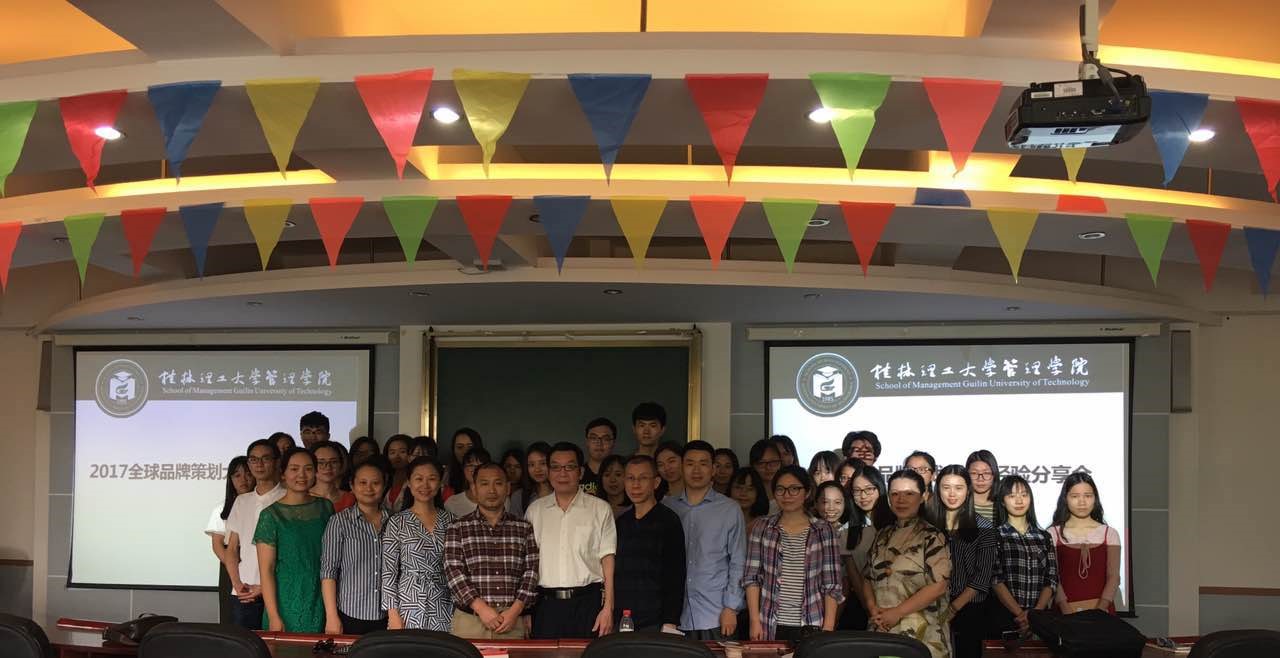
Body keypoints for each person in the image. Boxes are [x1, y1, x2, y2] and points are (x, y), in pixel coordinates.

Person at [525, 442, 617, 638]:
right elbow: (527, 563)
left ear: (580, 472)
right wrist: (526, 611)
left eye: (569, 467)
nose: (562, 473)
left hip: (588, 603)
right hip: (545, 605)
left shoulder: (600, 509)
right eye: (556, 467)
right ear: (549, 472)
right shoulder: (535, 511)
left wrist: (608, 607)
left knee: (588, 652)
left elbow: (607, 560)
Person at [744, 466, 843, 642]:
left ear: (807, 492)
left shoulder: (823, 530)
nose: (787, 495)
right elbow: (752, 578)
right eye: (780, 489)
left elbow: (832, 584)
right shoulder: (762, 527)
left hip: (811, 623)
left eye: (794, 489)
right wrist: (754, 621)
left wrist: (828, 628)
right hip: (769, 622)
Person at [444, 462, 540, 639]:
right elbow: (453, 572)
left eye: (498, 483)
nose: (492, 490)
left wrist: (516, 610)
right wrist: (481, 608)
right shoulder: (457, 527)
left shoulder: (523, 528)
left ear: (508, 488)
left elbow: (531, 572)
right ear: (474, 488)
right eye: (484, 483)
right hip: (470, 620)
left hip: (511, 620)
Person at [863, 470, 952, 658]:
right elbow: (868, 577)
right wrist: (873, 608)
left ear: (923, 497)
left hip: (923, 635)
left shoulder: (932, 536)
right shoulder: (882, 535)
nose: (901, 499)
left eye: (909, 493)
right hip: (882, 630)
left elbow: (939, 586)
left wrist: (897, 612)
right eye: (895, 494)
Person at [663, 440, 745, 640]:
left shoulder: (729, 509)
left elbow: (738, 561)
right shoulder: (667, 507)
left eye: (703, 463)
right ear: (682, 467)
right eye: (690, 463)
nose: (696, 470)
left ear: (713, 469)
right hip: (674, 615)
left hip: (716, 613)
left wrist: (731, 607)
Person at [256, 447, 334, 632]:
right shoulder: (270, 515)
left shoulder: (325, 507)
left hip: (322, 598)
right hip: (286, 601)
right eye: (294, 469)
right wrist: (274, 615)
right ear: (283, 473)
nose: (302, 475)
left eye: (308, 469)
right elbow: (266, 570)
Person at [926, 465, 997, 658]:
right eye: (946, 487)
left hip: (970, 608)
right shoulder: (926, 525)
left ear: (968, 491)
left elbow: (983, 576)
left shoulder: (984, 527)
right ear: (938, 490)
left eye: (958, 488)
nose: (952, 494)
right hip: (929, 606)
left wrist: (952, 609)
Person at [614, 455, 686, 632]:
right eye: (630, 478)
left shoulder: (669, 521)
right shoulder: (621, 522)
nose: (636, 485)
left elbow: (675, 575)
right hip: (622, 617)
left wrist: (670, 621)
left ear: (656, 482)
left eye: (643, 478)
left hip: (656, 620)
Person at [382, 456, 455, 631]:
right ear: (409, 482)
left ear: (440, 483)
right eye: (419, 479)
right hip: (409, 603)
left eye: (432, 479)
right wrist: (393, 613)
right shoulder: (397, 522)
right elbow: (389, 572)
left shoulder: (452, 521)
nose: (425, 485)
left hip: (444, 602)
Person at [321, 458, 392, 635]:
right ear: (352, 485)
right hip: (350, 614)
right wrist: (331, 616)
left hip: (388, 616)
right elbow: (329, 571)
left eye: (376, 483)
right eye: (362, 482)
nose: (369, 488)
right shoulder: (339, 522)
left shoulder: (395, 521)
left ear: (384, 486)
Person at [222, 439, 287, 629]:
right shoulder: (242, 501)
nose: (259, 464)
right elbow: (231, 549)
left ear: (277, 462)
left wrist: (264, 587)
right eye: (253, 459)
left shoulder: (287, 497)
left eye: (265, 458)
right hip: (245, 593)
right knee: (243, 643)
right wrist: (237, 584)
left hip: (279, 591)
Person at [990, 475, 1058, 641]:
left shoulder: (1044, 537)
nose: (1019, 500)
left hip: (1040, 620)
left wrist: (1035, 614)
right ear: (1002, 501)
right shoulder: (995, 536)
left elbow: (1051, 579)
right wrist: (1022, 615)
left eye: (1024, 495)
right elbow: (995, 579)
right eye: (1012, 496)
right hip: (1006, 618)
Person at [1049, 473, 1121, 615]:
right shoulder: (1052, 533)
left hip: (1102, 614)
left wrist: (1100, 610)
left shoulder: (1110, 533)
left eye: (1088, 496)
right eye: (1075, 496)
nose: (1082, 502)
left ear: (1095, 498)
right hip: (1064, 615)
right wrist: (1065, 609)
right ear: (1065, 498)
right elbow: (1053, 577)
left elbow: (1113, 577)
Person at [839, 461, 891, 631]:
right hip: (863, 606)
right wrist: (871, 609)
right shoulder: (846, 531)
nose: (863, 496)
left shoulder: (895, 523)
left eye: (869, 489)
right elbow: (853, 575)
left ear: (880, 489)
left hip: (897, 602)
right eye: (857, 491)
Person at [207, 456, 253, 624]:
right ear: (230, 480)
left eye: (248, 474)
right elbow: (217, 545)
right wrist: (235, 567)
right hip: (230, 563)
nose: (243, 479)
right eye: (237, 475)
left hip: (256, 561)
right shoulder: (221, 509)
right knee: (232, 615)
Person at [444, 446, 491, 518]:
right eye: (471, 465)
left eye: (480, 465)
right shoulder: (452, 503)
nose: (475, 469)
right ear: (463, 469)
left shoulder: (501, 499)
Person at [311, 441, 353, 512]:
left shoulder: (351, 499)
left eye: (333, 462)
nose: (328, 467)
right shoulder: (302, 497)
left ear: (341, 464)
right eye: (321, 462)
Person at [582, 417, 617, 496]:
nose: (599, 443)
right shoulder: (576, 475)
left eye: (605, 439)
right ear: (587, 441)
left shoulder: (623, 475)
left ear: (613, 442)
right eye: (593, 438)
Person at [446, 428, 483, 501]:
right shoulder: (447, 474)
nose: (465, 451)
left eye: (470, 447)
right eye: (460, 447)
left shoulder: (490, 471)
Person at [749, 439, 783, 513]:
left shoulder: (788, 493)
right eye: (761, 463)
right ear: (753, 465)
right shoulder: (746, 493)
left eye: (773, 462)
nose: (768, 467)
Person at [965, 450, 1001, 522]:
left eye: (986, 473)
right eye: (974, 473)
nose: (980, 479)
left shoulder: (1004, 505)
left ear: (994, 474)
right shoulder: (959, 504)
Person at [383, 434, 413, 510]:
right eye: (392, 452)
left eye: (402, 452)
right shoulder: (384, 478)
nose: (397, 457)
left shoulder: (415, 480)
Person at [522, 442, 554, 512]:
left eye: (543, 463)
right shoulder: (519, 496)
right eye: (532, 465)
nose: (537, 469)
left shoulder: (562, 493)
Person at [500, 448, 527, 515]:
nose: (512, 471)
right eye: (508, 466)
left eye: (517, 467)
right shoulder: (496, 492)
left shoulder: (527, 495)